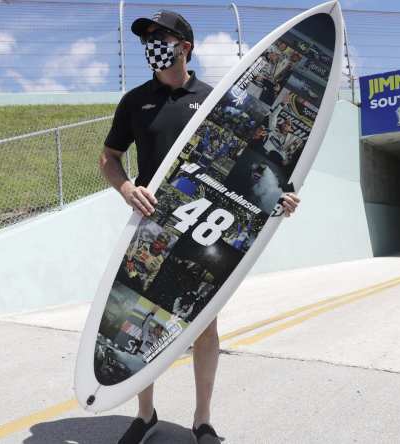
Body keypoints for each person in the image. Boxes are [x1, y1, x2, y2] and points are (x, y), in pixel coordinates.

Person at [99, 9, 301, 444]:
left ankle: (203, 420)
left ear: (184, 46)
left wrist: (279, 196)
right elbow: (109, 157)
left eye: (160, 37)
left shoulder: (215, 99)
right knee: (142, 309)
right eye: (146, 39)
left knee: (203, 322)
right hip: (153, 223)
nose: (151, 44)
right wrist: (126, 187)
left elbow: (257, 163)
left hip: (205, 225)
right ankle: (146, 415)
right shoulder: (135, 101)